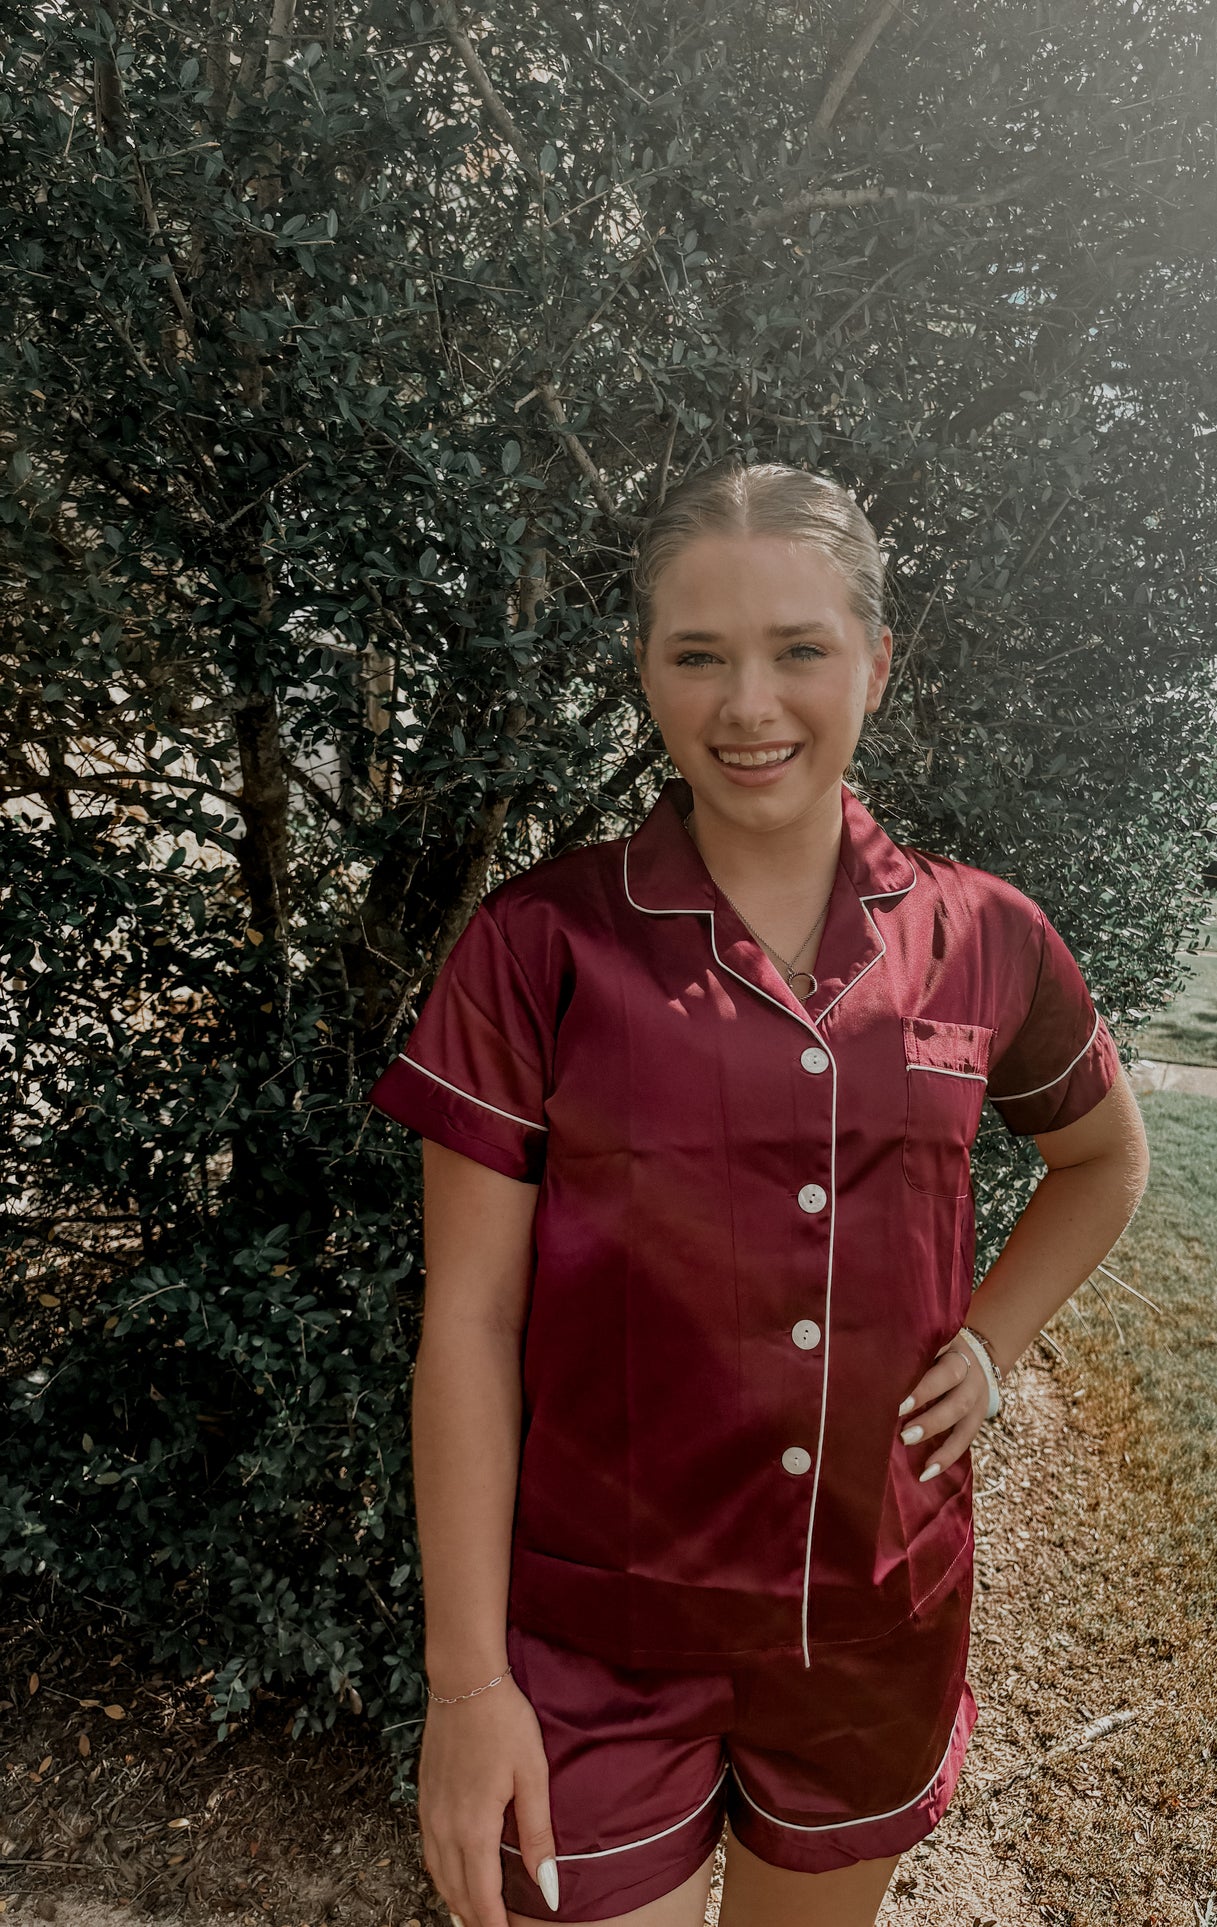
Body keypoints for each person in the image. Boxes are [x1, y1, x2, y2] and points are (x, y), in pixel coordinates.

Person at [366, 459, 1151, 1927]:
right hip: (593, 1639)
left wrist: (993, 1343)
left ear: (876, 662)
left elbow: (1101, 1161)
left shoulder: (986, 937)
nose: (748, 706)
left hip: (873, 1622)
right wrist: (467, 1685)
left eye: (799, 650)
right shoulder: (538, 945)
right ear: (646, 671)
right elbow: (466, 1327)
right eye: (697, 655)